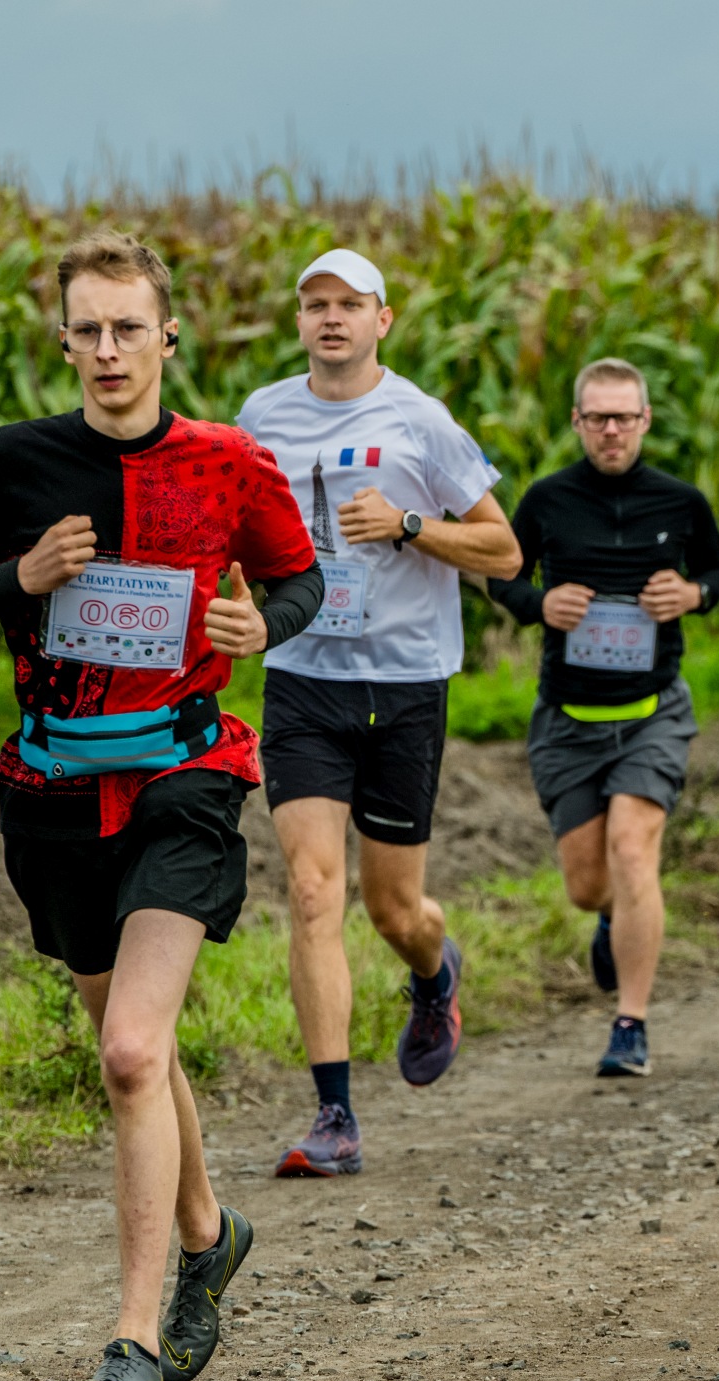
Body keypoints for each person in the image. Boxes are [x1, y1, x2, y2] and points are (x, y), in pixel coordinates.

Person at [0, 233, 322, 1381]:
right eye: (89, 328)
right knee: (132, 1042)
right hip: (55, 794)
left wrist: (263, 628)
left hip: (186, 775)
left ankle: (132, 1342)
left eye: (130, 327)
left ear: (167, 336)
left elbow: (299, 580)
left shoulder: (228, 463)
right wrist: (17, 580)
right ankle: (209, 1231)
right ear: (64, 341)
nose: (110, 348)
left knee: (131, 1050)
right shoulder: (6, 468)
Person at [237, 249, 521, 1177]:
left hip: (404, 683)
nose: (331, 318)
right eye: (314, 303)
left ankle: (435, 973)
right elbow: (231, 524)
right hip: (302, 676)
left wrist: (407, 525)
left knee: (395, 908)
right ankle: (335, 1116)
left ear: (381, 320)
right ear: (298, 320)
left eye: (349, 304)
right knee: (314, 891)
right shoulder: (261, 416)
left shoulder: (420, 421)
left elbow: (504, 552)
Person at [489, 357, 719, 1077]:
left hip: (654, 712)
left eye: (624, 417)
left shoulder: (681, 502)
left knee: (633, 849)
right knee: (589, 885)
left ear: (645, 420)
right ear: (577, 422)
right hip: (568, 718)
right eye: (597, 418)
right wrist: (541, 603)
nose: (612, 431)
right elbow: (502, 576)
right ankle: (609, 916)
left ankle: (631, 1024)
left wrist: (692, 595)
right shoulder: (547, 498)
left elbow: (718, 571)